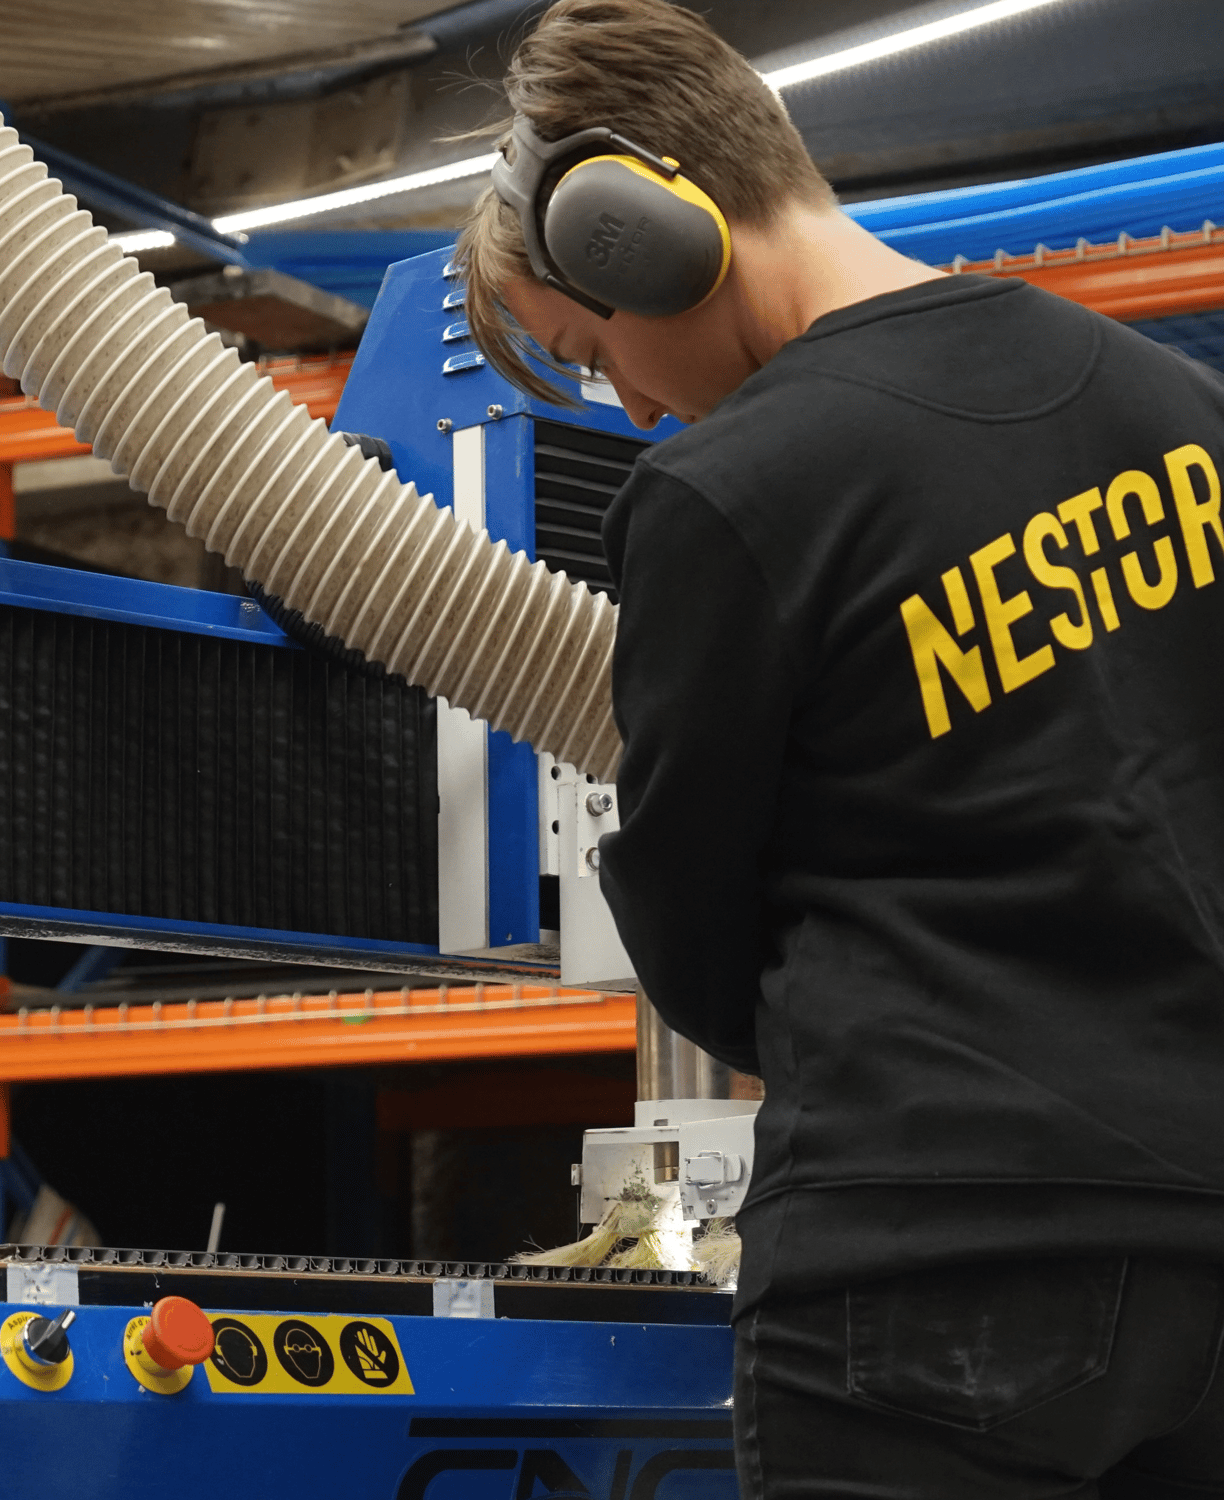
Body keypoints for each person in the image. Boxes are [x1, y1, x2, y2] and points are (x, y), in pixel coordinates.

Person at [454, 2, 1224, 1495]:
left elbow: (696, 945)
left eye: (593, 344)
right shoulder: (1182, 413)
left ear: (643, 239)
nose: (634, 399)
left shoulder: (729, 492)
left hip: (933, 1272)